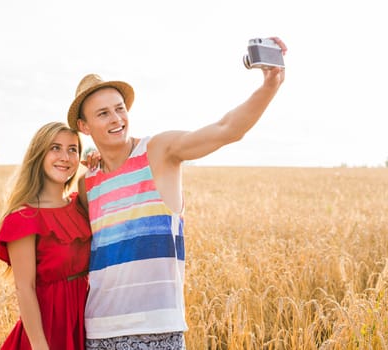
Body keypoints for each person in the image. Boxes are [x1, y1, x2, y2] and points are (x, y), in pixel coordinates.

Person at [67, 37, 287, 349]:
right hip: (99, 331)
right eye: (103, 114)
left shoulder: (160, 151)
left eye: (119, 109)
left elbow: (227, 129)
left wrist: (270, 85)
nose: (116, 119)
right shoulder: (87, 182)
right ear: (84, 126)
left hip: (159, 330)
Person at [0, 121, 92, 350]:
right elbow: (24, 287)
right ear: (39, 154)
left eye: (72, 149)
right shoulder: (24, 217)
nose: (65, 157)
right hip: (47, 329)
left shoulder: (79, 205)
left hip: (83, 322)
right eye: (55, 148)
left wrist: (95, 163)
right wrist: (40, 346)